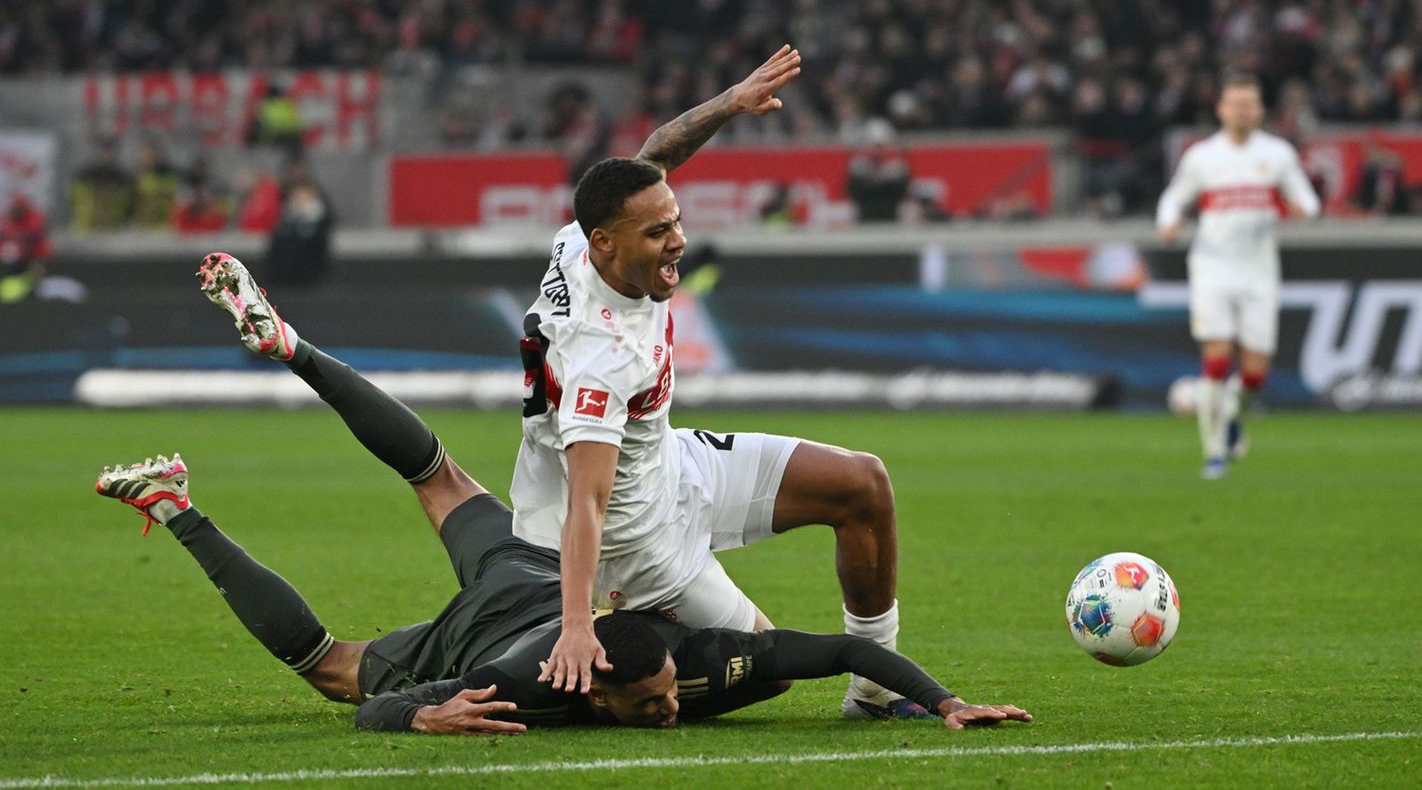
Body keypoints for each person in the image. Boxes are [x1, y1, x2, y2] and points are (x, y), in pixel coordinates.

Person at [88, 252, 1033, 736]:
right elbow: (374, 711)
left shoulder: (691, 662)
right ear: (597, 696)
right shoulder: (525, 690)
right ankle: (177, 507)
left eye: (664, 694)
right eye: (656, 706)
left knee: (435, 474)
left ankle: (292, 347)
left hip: (535, 568)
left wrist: (946, 701)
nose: (670, 711)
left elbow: (825, 649)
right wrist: (425, 710)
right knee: (332, 667)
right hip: (490, 630)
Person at [512, 45, 908, 720]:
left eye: (676, 222)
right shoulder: (601, 357)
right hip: (638, 541)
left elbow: (654, 152)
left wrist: (731, 102)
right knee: (766, 673)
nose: (678, 242)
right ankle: (608, 674)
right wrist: (576, 621)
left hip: (672, 461)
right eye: (658, 232)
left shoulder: (582, 241)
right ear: (607, 244)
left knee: (861, 483)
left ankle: (875, 695)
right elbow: (587, 501)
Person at [1156, 74, 1321, 479]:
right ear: (1221, 109)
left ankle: (1230, 413)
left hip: (1259, 272)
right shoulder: (1203, 156)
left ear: (1260, 110)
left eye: (1249, 104)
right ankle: (1214, 453)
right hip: (1212, 267)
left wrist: (1303, 209)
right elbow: (1174, 196)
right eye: (1235, 103)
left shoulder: (1277, 154)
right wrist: (1170, 220)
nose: (1242, 111)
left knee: (1254, 374)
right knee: (1215, 359)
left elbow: (1308, 200)